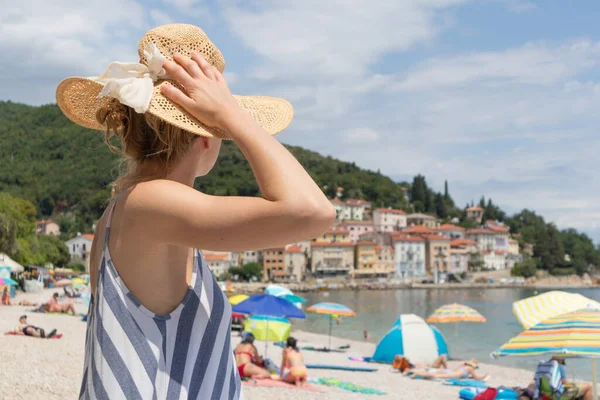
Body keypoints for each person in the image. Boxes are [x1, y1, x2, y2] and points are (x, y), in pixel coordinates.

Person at [56, 24, 333, 399]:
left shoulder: (137, 209)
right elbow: (314, 212)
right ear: (207, 135)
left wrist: (226, 115)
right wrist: (234, 116)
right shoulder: (152, 203)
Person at [408, 358, 489, 381]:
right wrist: (484, 376)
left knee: (433, 373)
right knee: (434, 375)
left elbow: (462, 371)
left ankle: (413, 371)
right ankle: (417, 373)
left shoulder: (463, 366)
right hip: (452, 375)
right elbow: (477, 378)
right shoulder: (470, 369)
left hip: (449, 371)